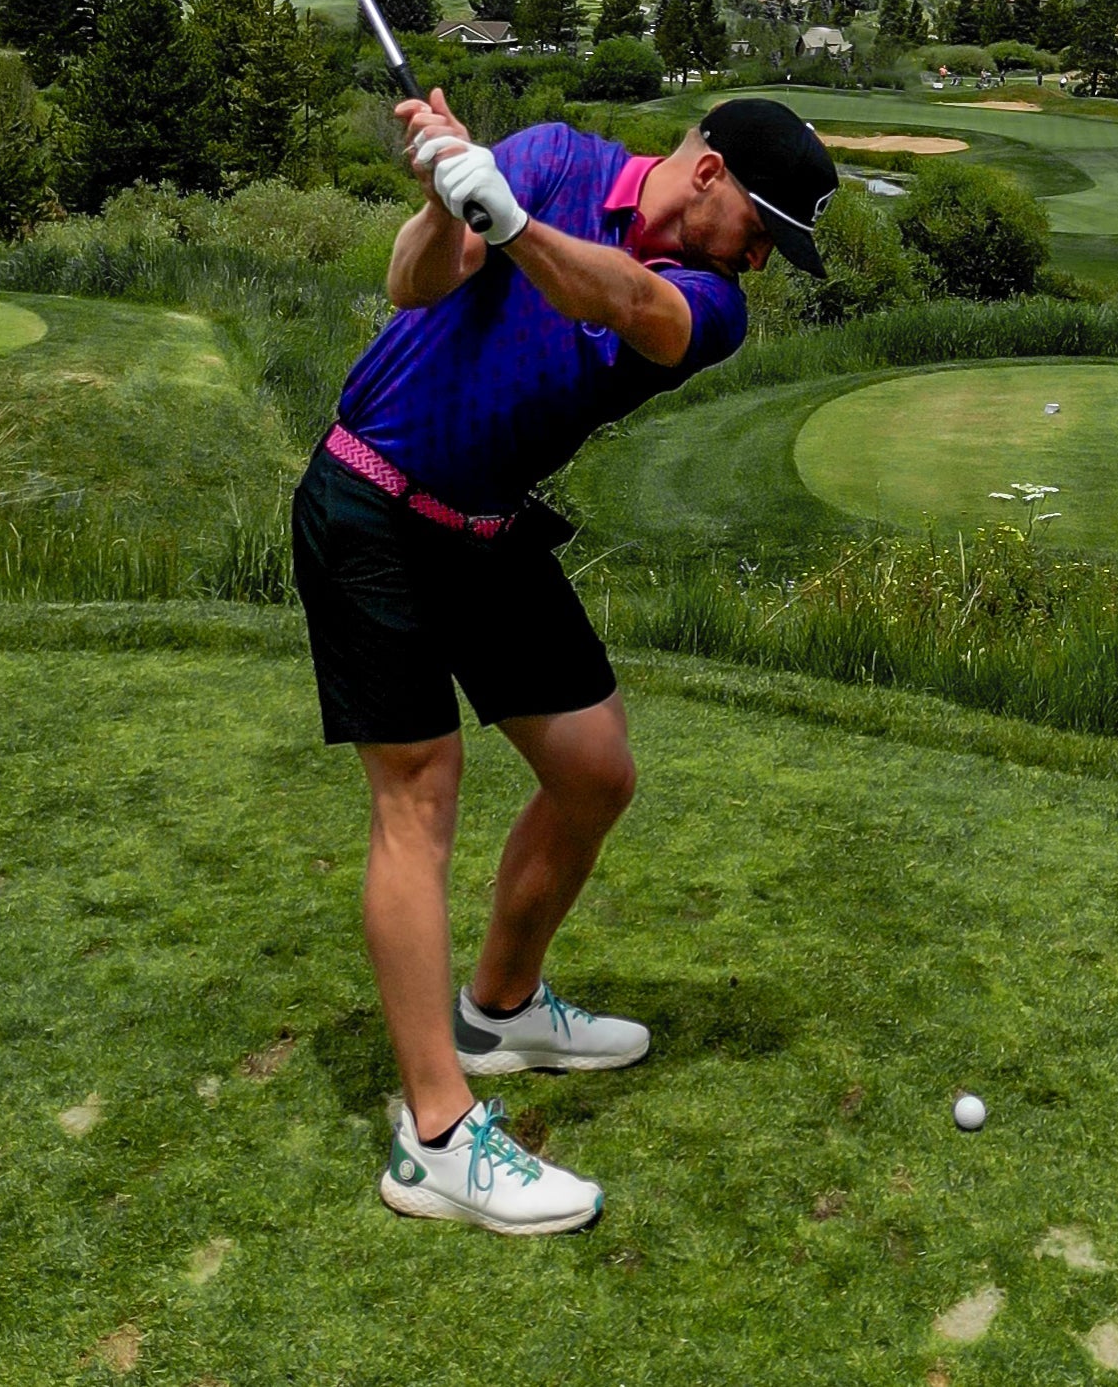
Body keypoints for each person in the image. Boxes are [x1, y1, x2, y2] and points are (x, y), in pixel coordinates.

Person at [292, 92, 837, 1236]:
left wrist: (514, 227)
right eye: (762, 227)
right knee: (417, 791)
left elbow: (630, 302)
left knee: (594, 769)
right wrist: (447, 189)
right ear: (708, 172)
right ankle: (435, 1135)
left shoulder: (713, 304)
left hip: (482, 527)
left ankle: (497, 1009)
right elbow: (413, 282)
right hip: (372, 505)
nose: (760, 258)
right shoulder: (547, 157)